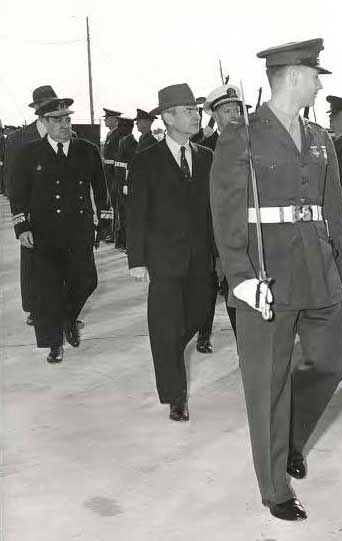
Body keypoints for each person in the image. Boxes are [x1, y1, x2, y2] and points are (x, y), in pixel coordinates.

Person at [210, 38, 342, 521]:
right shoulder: (242, 136)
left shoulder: (320, 139)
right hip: (266, 275)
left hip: (318, 271)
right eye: (315, 75)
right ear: (293, 75)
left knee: (330, 364)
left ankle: (289, 436)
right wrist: (240, 277)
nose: (319, 83)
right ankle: (275, 487)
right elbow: (226, 212)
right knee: (266, 383)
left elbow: (332, 208)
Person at [127, 83, 215, 422]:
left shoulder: (206, 157)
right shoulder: (146, 160)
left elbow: (214, 212)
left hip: (200, 259)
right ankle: (176, 396)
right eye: (188, 111)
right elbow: (136, 212)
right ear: (168, 116)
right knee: (164, 327)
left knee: (194, 317)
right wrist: (136, 259)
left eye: (196, 110)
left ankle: (167, 356)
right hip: (162, 260)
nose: (196, 115)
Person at [9, 97, 109, 363]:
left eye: (67, 119)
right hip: (44, 233)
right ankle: (54, 343)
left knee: (87, 281)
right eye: (57, 120)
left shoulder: (86, 150)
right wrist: (22, 226)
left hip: (80, 230)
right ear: (43, 122)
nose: (65, 124)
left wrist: (106, 220)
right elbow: (17, 195)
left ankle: (67, 319)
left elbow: (101, 189)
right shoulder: (29, 154)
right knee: (49, 289)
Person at [4, 85, 59, 327]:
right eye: (45, 104)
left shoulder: (68, 134)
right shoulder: (18, 139)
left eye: (54, 104)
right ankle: (35, 309)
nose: (51, 108)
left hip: (62, 213)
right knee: (32, 263)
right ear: (36, 109)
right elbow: (11, 183)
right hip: (32, 214)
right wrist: (20, 220)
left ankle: (63, 310)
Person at [195, 83, 243, 353]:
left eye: (237, 108)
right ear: (215, 115)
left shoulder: (255, 142)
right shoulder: (206, 148)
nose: (234, 114)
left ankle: (246, 349)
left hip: (249, 228)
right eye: (226, 110)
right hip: (216, 230)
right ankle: (205, 335)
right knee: (219, 286)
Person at [113, 117, 137, 250]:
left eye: (122, 127)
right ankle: (121, 241)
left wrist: (126, 184)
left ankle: (128, 242)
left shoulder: (132, 143)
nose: (119, 129)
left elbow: (131, 166)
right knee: (121, 213)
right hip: (119, 181)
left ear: (129, 128)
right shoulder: (122, 141)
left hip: (125, 183)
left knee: (126, 214)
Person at [101, 108, 122, 242]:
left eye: (107, 118)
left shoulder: (119, 134)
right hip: (108, 173)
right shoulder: (110, 134)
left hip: (114, 173)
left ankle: (116, 234)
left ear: (115, 119)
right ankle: (109, 231)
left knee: (116, 204)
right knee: (109, 204)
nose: (105, 120)